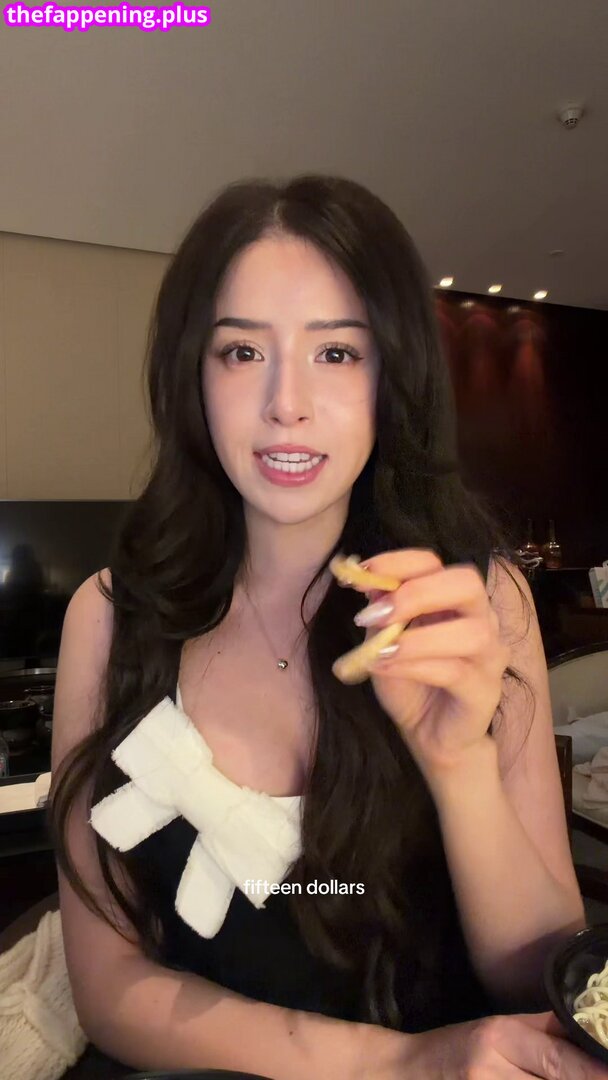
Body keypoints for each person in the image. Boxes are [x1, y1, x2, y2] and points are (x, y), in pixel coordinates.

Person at [49, 174, 607, 1080]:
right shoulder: (108, 620)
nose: (287, 403)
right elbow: (109, 988)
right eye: (241, 352)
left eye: (338, 352)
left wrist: (460, 770)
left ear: (392, 379)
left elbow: (539, 975)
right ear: (193, 376)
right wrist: (401, 1064)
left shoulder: (477, 603)